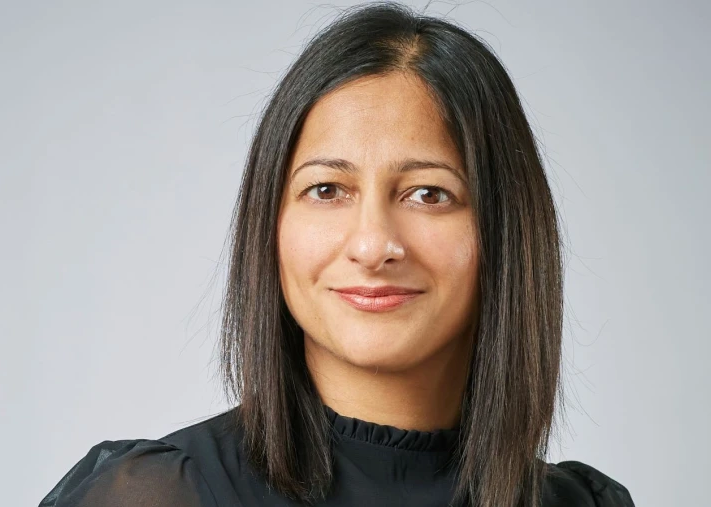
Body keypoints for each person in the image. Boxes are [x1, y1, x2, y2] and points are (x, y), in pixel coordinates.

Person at [39, 2, 635, 506]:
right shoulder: (153, 495)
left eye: (428, 194)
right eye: (326, 190)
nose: (372, 246)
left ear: (506, 231)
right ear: (269, 223)